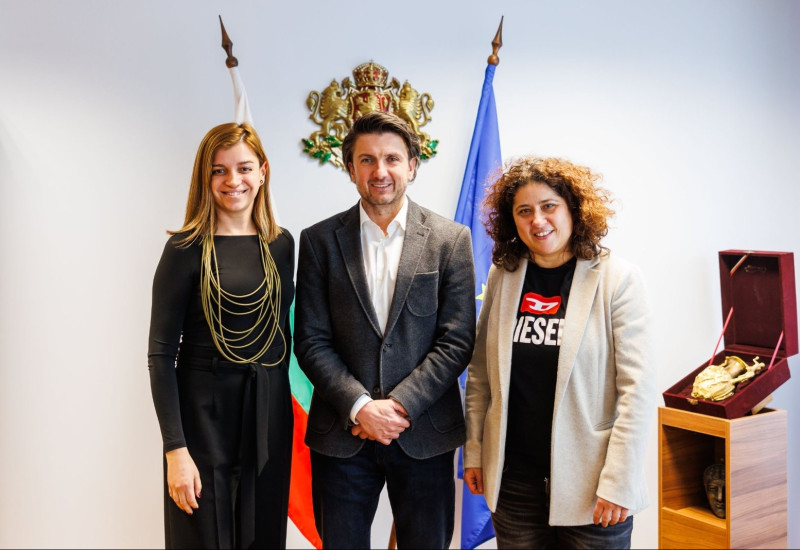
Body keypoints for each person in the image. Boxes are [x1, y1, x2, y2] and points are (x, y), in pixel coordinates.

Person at [294, 111, 476, 549]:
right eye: (367, 160)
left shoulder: (450, 240)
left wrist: (397, 407)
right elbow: (311, 340)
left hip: (425, 433)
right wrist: (361, 407)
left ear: (412, 165)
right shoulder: (318, 241)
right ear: (350, 168)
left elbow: (456, 341)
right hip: (343, 434)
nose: (380, 171)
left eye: (392, 159)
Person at [463, 156, 656, 549]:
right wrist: (475, 452)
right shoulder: (503, 276)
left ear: (573, 209)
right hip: (514, 484)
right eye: (524, 211)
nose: (538, 220)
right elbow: (480, 373)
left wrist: (619, 481)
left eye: (549, 206)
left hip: (594, 487)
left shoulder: (618, 280)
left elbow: (637, 392)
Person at [148, 122, 294, 549]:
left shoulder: (281, 245)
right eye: (219, 170)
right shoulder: (184, 249)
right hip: (202, 420)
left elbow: (283, 336)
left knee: (263, 536)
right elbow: (160, 356)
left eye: (244, 168)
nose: (233, 180)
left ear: (262, 172)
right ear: (205, 177)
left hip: (267, 416)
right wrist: (175, 450)